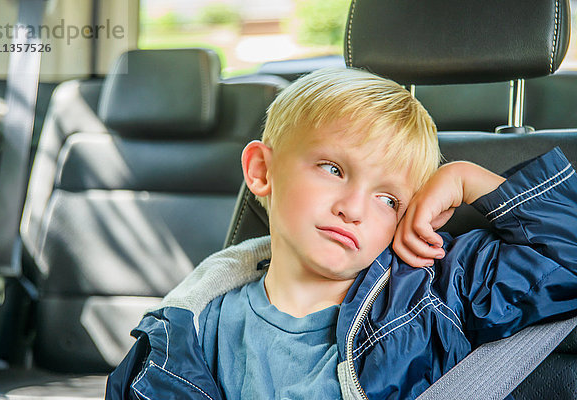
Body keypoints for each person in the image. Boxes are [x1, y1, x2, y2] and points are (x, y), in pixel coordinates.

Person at [105, 68, 577, 399]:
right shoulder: (185, 331)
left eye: (389, 199)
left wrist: (467, 179)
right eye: (332, 168)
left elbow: (567, 260)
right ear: (261, 171)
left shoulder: (434, 293)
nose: (353, 209)